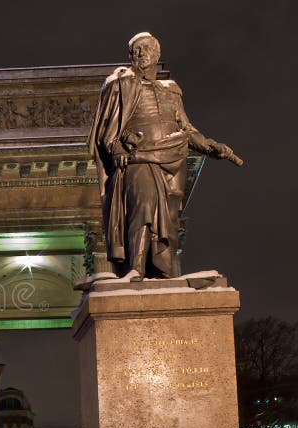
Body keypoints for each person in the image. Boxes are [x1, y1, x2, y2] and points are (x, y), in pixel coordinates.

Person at [88, 32, 241, 280]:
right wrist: (116, 147)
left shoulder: (171, 92)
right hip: (138, 157)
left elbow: (186, 129)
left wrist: (210, 146)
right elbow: (107, 127)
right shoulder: (121, 84)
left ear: (157, 54)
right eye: (136, 50)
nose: (140, 53)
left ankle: (161, 271)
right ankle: (134, 268)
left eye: (146, 48)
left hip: (170, 160)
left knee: (167, 221)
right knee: (144, 204)